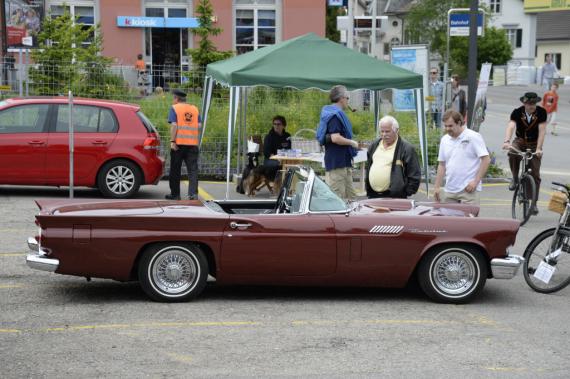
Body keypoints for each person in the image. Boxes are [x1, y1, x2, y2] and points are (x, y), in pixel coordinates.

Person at [502, 92, 547, 214]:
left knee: (535, 175)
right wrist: (507, 141)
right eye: (528, 103)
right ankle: (515, 178)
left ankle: (534, 203)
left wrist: (539, 149)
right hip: (520, 141)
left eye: (533, 103)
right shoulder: (517, 112)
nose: (531, 106)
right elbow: (511, 126)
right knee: (512, 152)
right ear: (524, 103)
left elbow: (542, 131)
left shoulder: (541, 112)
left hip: (534, 144)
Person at [434, 110, 490, 204]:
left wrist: (475, 182)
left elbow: (486, 160)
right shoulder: (445, 139)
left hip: (469, 190)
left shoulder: (473, 136)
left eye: (450, 126)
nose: (447, 129)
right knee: (447, 217)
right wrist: (436, 187)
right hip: (450, 190)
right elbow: (442, 164)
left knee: (469, 219)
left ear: (459, 123)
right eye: (446, 126)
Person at [318, 85, 359, 200]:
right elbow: (335, 138)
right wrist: (352, 142)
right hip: (337, 163)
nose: (348, 101)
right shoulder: (334, 116)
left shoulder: (337, 113)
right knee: (337, 200)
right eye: (348, 98)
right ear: (341, 98)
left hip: (344, 162)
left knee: (351, 198)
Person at [365, 115, 421, 199]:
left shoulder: (406, 148)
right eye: (382, 131)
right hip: (373, 195)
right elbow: (369, 166)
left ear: (397, 130)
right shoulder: (374, 145)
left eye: (387, 131)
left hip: (394, 197)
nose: (384, 134)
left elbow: (414, 174)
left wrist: (404, 192)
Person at [165, 89, 201, 200]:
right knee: (193, 170)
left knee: (175, 169)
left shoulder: (174, 108)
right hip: (192, 144)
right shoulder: (194, 109)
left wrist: (172, 141)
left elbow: (174, 125)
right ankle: (193, 194)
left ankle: (175, 195)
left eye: (173, 98)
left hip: (178, 145)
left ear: (176, 98)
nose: (173, 100)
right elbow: (199, 126)